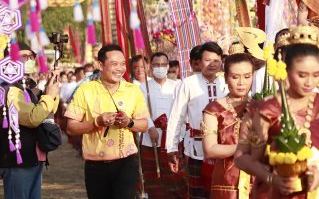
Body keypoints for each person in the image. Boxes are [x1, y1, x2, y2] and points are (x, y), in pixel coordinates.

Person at [235, 26, 319, 198]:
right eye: (301, 75)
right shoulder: (263, 108)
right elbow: (241, 156)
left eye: (315, 75)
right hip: (275, 190)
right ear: (287, 69)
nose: (309, 82)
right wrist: (270, 177)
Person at [65, 44, 149, 199]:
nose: (120, 68)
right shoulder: (86, 90)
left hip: (126, 163)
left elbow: (144, 125)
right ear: (100, 65)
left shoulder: (133, 90)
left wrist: (129, 123)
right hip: (95, 165)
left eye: (123, 64)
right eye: (114, 64)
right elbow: (71, 128)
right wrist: (97, 121)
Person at [167, 41, 225, 199]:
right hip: (197, 148)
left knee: (222, 191)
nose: (212, 64)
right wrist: (171, 147)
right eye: (207, 60)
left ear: (221, 61)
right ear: (199, 62)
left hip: (224, 147)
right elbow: (176, 116)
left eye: (216, 60)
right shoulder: (188, 83)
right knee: (198, 194)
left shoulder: (227, 82)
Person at [0, 47, 61, 199]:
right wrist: (48, 96)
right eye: (22, 56)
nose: (28, 60)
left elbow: (47, 111)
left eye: (31, 56)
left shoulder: (28, 87)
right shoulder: (9, 89)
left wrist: (52, 87)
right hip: (17, 161)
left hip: (34, 157)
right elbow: (32, 118)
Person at [203, 53, 255, 199]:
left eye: (247, 76)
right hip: (227, 183)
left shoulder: (261, 106)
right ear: (225, 78)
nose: (241, 83)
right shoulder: (213, 109)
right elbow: (210, 149)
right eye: (235, 77)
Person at [139, 52, 186, 199]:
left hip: (173, 140)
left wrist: (178, 134)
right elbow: (141, 110)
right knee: (155, 181)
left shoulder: (178, 86)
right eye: (156, 65)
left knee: (176, 179)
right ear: (150, 66)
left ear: (168, 66)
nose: (160, 68)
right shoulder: (142, 87)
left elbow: (183, 112)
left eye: (163, 65)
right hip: (150, 140)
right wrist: (150, 127)